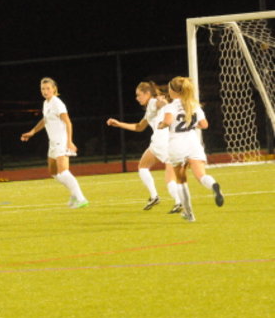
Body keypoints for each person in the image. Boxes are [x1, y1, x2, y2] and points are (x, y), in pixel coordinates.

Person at [106, 81, 182, 212]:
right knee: (157, 171)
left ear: (147, 93)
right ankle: (171, 200)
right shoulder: (151, 109)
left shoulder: (152, 102)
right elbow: (139, 127)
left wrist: (163, 102)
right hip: (171, 141)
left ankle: (162, 198)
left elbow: (160, 103)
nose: (137, 98)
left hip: (160, 142)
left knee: (147, 168)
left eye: (139, 95)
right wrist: (118, 124)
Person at [158, 76, 224, 222]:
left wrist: (161, 125)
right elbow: (204, 124)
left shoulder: (170, 107)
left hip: (176, 144)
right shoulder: (193, 105)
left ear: (174, 91)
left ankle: (189, 214)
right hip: (193, 143)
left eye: (169, 88)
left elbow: (168, 121)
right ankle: (213, 185)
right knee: (201, 175)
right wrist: (193, 125)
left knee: (181, 180)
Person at [20, 77, 88, 208]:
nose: (45, 91)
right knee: (54, 173)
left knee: (63, 172)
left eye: (48, 88)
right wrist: (32, 132)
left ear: (54, 89)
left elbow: (68, 123)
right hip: (53, 142)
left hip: (61, 141)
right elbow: (45, 120)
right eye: (43, 89)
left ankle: (81, 198)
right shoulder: (46, 103)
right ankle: (74, 195)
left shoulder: (58, 103)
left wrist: (69, 141)